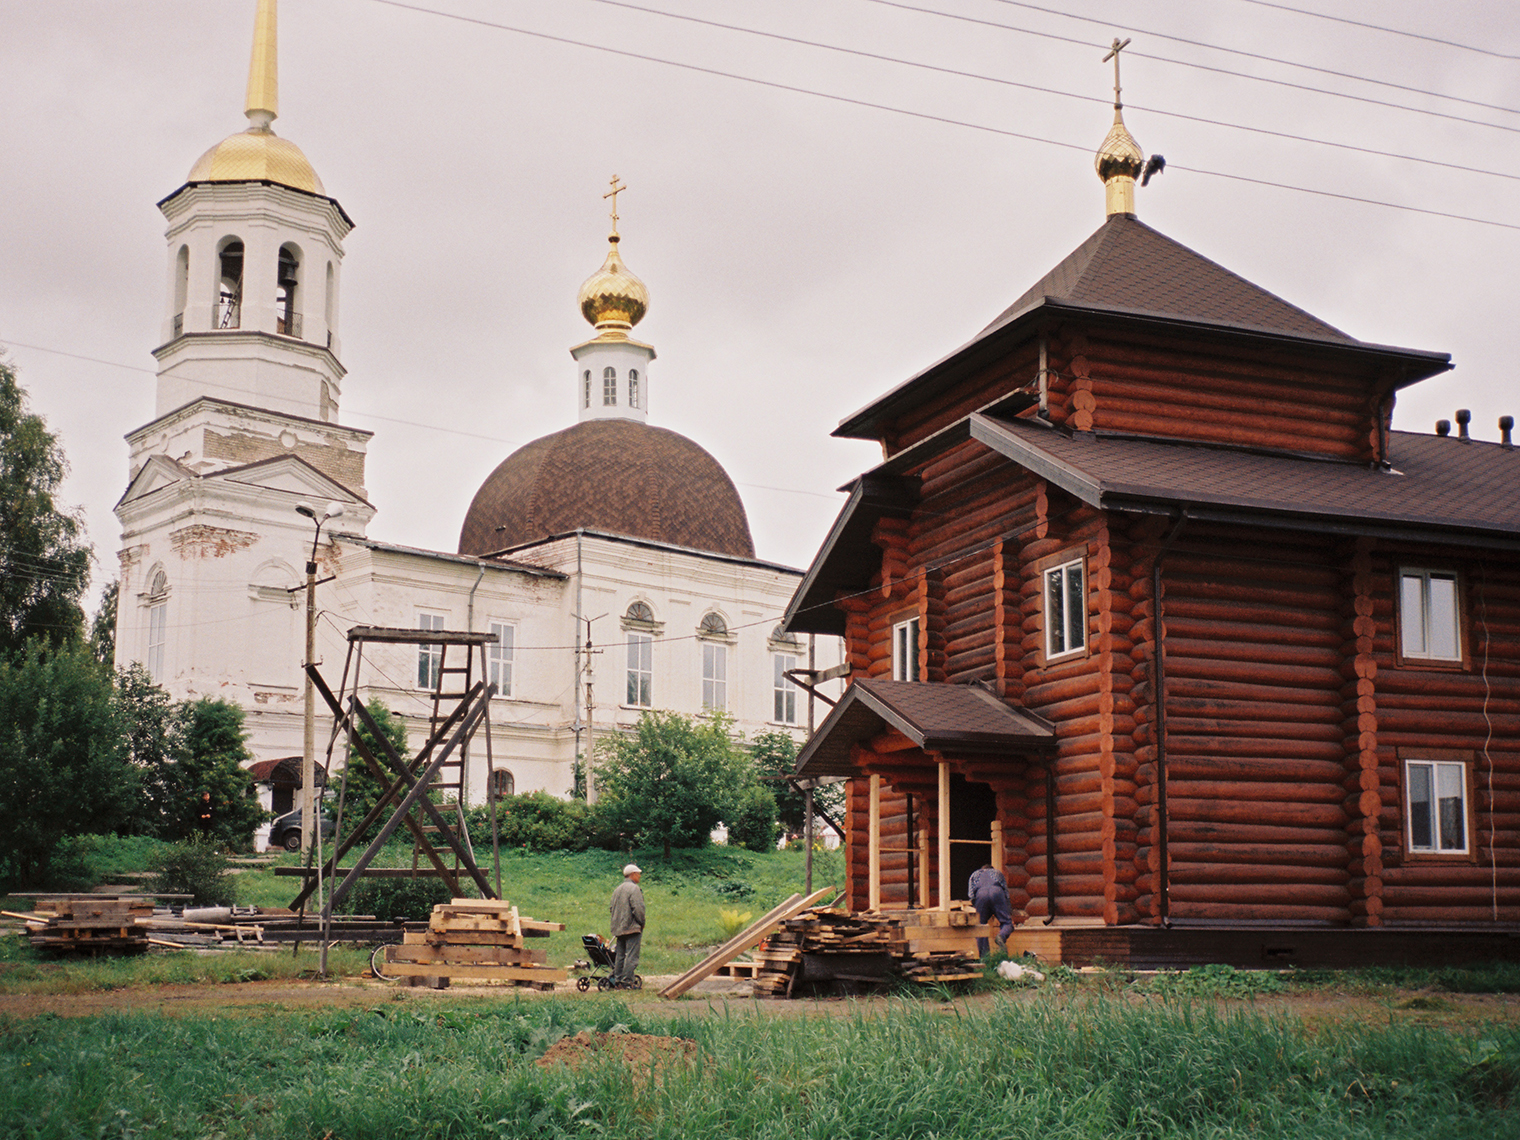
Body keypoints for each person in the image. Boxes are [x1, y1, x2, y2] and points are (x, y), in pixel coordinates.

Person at [608, 863, 645, 988]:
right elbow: (638, 909)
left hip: (619, 928)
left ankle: (617, 980)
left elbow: (611, 908)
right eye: (638, 874)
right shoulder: (634, 889)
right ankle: (627, 981)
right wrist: (641, 923)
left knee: (620, 955)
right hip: (632, 928)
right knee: (631, 956)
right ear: (633, 874)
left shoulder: (617, 889)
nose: (639, 876)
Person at [968, 862, 1013, 957]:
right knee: (1007, 923)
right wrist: (1008, 910)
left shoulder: (975, 874)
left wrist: (978, 910)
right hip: (997, 892)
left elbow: (971, 896)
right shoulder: (997, 873)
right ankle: (1001, 936)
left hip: (981, 894)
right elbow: (1006, 893)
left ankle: (985, 959)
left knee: (981, 926)